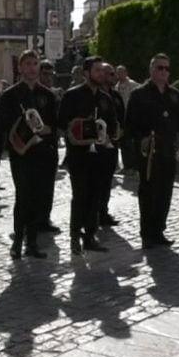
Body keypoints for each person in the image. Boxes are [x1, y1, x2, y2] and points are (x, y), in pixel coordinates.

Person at [0, 50, 59, 260]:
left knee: (37, 198)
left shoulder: (48, 95)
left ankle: (32, 243)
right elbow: (2, 123)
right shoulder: (10, 95)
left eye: (35, 64)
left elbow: (55, 124)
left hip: (42, 153)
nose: (32, 68)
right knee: (23, 197)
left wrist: (46, 130)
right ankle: (17, 241)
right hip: (21, 154)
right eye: (28, 64)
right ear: (20, 68)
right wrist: (21, 125)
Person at [125, 53, 179, 247]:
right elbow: (130, 125)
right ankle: (147, 233)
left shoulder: (175, 95)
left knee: (165, 191)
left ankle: (159, 230)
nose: (163, 72)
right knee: (148, 192)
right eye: (159, 68)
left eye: (166, 68)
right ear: (151, 70)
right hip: (149, 152)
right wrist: (141, 139)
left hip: (168, 150)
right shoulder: (139, 94)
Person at [58, 56, 119, 256]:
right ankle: (75, 236)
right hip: (79, 155)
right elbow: (62, 123)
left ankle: (90, 235)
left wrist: (111, 133)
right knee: (80, 195)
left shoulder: (106, 98)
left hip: (100, 155)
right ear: (86, 74)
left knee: (96, 196)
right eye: (97, 70)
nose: (101, 74)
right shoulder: (72, 96)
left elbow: (111, 124)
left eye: (103, 70)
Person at [37, 60, 63, 234]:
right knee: (32, 188)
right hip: (32, 147)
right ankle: (30, 220)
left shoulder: (54, 95)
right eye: (45, 74)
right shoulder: (34, 93)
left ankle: (44, 218)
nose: (48, 78)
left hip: (50, 145)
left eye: (51, 75)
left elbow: (60, 120)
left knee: (48, 186)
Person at [98, 63, 124, 227]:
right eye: (111, 74)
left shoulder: (116, 96)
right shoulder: (96, 96)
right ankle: (93, 213)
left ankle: (103, 212)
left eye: (114, 74)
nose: (114, 77)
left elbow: (122, 116)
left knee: (107, 180)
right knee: (97, 181)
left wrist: (121, 132)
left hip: (113, 144)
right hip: (97, 145)